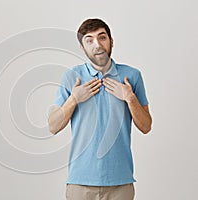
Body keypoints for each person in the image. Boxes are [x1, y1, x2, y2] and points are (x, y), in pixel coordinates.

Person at [48, 18, 152, 200]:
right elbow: (53, 126)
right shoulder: (72, 77)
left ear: (111, 41)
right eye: (89, 40)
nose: (97, 45)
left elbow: (146, 126)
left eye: (102, 37)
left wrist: (130, 97)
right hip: (80, 182)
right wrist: (74, 99)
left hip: (121, 182)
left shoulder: (132, 76)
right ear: (82, 48)